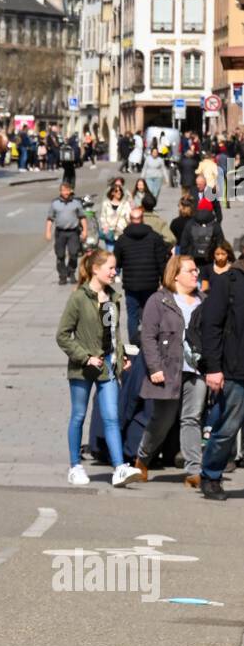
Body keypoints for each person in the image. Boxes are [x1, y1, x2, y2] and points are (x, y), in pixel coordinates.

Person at [55, 249, 142, 488]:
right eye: (111, 268)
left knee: (111, 417)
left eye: (115, 268)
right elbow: (63, 335)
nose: (115, 272)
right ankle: (75, 466)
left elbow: (113, 332)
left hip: (108, 366)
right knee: (79, 415)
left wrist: (121, 355)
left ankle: (119, 468)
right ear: (96, 269)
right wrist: (85, 357)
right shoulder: (79, 298)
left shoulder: (112, 298)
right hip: (83, 368)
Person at [132, 256, 206, 489]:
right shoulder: (159, 300)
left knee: (192, 418)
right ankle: (142, 459)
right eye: (191, 270)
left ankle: (195, 470)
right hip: (168, 369)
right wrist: (154, 368)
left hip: (197, 370)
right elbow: (148, 336)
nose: (196, 274)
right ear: (175, 275)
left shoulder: (203, 301)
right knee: (162, 420)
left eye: (196, 270)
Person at [199, 246, 244, 500]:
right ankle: (211, 475)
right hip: (235, 369)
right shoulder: (229, 281)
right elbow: (211, 326)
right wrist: (214, 368)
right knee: (228, 427)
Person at [114, 202, 170, 342]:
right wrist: (164, 280)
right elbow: (161, 261)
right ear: (142, 219)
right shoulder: (155, 238)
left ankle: (134, 341)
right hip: (151, 284)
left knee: (132, 314)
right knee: (150, 312)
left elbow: (117, 262)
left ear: (130, 220)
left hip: (131, 285)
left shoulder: (122, 239)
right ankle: (150, 339)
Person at [45, 182, 87, 285]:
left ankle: (71, 272)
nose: (66, 192)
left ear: (71, 191)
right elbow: (50, 218)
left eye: (67, 190)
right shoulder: (55, 203)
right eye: (63, 190)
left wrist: (85, 230)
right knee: (60, 255)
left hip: (73, 232)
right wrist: (48, 231)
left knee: (74, 253)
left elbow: (82, 217)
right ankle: (62, 276)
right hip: (60, 232)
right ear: (60, 191)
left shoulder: (76, 203)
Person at [179, 201, 223, 286]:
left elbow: (183, 245)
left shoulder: (190, 224)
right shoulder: (215, 225)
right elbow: (221, 244)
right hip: (210, 261)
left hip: (193, 261)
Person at [99, 181, 130, 249]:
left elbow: (128, 218)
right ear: (112, 193)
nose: (119, 192)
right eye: (116, 191)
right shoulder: (106, 204)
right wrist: (105, 226)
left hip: (122, 233)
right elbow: (102, 217)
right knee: (111, 253)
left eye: (120, 191)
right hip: (110, 234)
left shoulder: (125, 204)